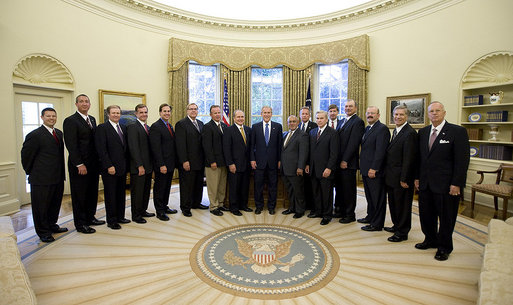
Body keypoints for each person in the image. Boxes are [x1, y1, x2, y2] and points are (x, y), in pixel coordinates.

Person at [414, 101, 470, 261]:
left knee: (446, 218)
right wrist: (417, 177)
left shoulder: (457, 132)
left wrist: (457, 183)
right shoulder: (423, 132)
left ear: (444, 113)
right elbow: (420, 158)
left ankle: (444, 247)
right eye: (431, 111)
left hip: (447, 185)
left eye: (438, 111)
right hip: (425, 183)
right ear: (428, 114)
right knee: (426, 215)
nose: (435, 113)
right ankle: (430, 239)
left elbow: (462, 161)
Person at [21, 107, 66, 242]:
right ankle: (43, 232)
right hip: (41, 178)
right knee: (41, 207)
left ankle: (52, 225)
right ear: (42, 118)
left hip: (57, 176)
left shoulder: (58, 133)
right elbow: (26, 156)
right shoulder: (35, 135)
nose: (51, 118)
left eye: (53, 116)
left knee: (54, 204)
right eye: (48, 116)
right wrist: (31, 172)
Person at [63, 94, 103, 234]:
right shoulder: (71, 121)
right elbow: (71, 145)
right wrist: (79, 164)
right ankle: (81, 224)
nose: (84, 104)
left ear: (90, 104)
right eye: (81, 101)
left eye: (87, 101)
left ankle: (90, 217)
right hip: (80, 166)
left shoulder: (91, 119)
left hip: (92, 165)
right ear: (76, 104)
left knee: (92, 193)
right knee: (80, 195)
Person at [384, 105, 418, 242]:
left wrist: (404, 178)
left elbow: (409, 159)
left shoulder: (409, 133)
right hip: (392, 176)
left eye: (401, 115)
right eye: (396, 114)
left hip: (402, 179)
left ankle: (402, 232)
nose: (398, 117)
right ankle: (396, 225)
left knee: (402, 206)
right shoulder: (397, 131)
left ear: (407, 116)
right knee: (393, 204)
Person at [95, 105, 130, 230]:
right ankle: (112, 220)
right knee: (111, 195)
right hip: (110, 168)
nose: (116, 115)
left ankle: (120, 216)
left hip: (122, 167)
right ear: (108, 114)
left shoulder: (123, 128)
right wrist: (109, 165)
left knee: (121, 194)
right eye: (113, 113)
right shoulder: (102, 128)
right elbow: (101, 149)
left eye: (118, 113)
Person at [359, 106, 390, 231]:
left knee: (377, 198)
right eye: (368, 113)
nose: (370, 115)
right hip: (366, 169)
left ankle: (377, 224)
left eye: (372, 113)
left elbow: (380, 151)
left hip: (374, 170)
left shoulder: (382, 129)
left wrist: (374, 168)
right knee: (370, 196)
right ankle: (370, 216)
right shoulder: (368, 128)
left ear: (378, 115)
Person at [305, 110, 339, 225]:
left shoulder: (333, 133)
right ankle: (318, 211)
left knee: (326, 194)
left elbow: (334, 153)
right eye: (317, 118)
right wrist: (308, 164)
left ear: (326, 119)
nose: (319, 120)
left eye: (321, 118)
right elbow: (310, 151)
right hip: (314, 169)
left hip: (325, 169)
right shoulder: (313, 132)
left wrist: (329, 168)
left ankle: (327, 215)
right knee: (316, 192)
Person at [336, 99, 365, 223]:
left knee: (349, 190)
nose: (348, 108)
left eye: (350, 106)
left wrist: (345, 160)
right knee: (340, 189)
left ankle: (349, 214)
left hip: (348, 163)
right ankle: (341, 211)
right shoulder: (342, 121)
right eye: (346, 106)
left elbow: (354, 143)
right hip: (338, 162)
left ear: (356, 108)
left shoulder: (358, 122)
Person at [175, 103, 207, 217]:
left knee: (198, 184)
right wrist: (184, 160)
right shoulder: (181, 124)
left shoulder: (201, 123)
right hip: (188, 161)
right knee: (187, 186)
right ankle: (185, 207)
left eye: (195, 109)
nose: (193, 111)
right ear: (187, 111)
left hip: (200, 161)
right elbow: (180, 144)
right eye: (191, 109)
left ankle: (196, 203)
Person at [250, 106, 282, 215]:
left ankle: (271, 207)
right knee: (258, 186)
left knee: (273, 186)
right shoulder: (255, 127)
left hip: (273, 163)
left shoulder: (278, 127)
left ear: (271, 114)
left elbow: (279, 146)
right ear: (261, 114)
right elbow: (251, 145)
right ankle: (259, 206)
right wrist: (252, 160)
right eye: (265, 112)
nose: (267, 114)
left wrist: (279, 160)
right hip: (259, 163)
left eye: (269, 112)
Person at [149, 104, 178, 221]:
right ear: (160, 113)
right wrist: (161, 164)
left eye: (168, 111)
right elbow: (156, 148)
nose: (167, 113)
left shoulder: (169, 126)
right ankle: (159, 211)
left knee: (167, 187)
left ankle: (165, 206)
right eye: (164, 111)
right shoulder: (156, 126)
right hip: (162, 164)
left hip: (170, 163)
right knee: (160, 188)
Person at [127, 104, 154, 224]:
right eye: (141, 112)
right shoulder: (133, 127)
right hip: (138, 167)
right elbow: (133, 148)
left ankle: (143, 210)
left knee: (145, 191)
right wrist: (139, 165)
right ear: (136, 114)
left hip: (148, 166)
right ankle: (136, 215)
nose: (144, 114)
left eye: (145, 112)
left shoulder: (147, 127)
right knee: (137, 192)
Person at [223, 110, 252, 216]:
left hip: (246, 165)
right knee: (234, 187)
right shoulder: (229, 130)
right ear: (234, 118)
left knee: (244, 186)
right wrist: (230, 163)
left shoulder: (248, 130)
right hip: (234, 165)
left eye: (242, 117)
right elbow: (226, 148)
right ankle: (234, 207)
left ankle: (243, 205)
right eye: (238, 117)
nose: (240, 118)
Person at [202, 105, 229, 216]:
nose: (218, 115)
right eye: (215, 113)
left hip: (223, 162)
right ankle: (213, 206)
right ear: (211, 114)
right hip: (212, 163)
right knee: (213, 186)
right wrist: (212, 161)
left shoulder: (224, 126)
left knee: (222, 185)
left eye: (219, 112)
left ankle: (220, 204)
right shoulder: (207, 127)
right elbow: (207, 146)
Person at [281, 115, 309, 218]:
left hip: (296, 169)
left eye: (294, 121)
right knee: (290, 190)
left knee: (298, 191)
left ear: (298, 123)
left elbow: (303, 153)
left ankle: (300, 210)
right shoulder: (285, 134)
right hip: (285, 168)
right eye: (290, 122)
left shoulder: (302, 135)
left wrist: (300, 167)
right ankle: (292, 208)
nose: (291, 123)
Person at [298, 106, 317, 211]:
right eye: (302, 114)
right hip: (299, 162)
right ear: (300, 115)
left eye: (306, 114)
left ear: (309, 115)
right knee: (302, 186)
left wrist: (308, 163)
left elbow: (312, 147)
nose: (304, 115)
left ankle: (311, 206)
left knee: (311, 186)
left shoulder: (314, 126)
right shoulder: (298, 125)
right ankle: (303, 205)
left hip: (310, 162)